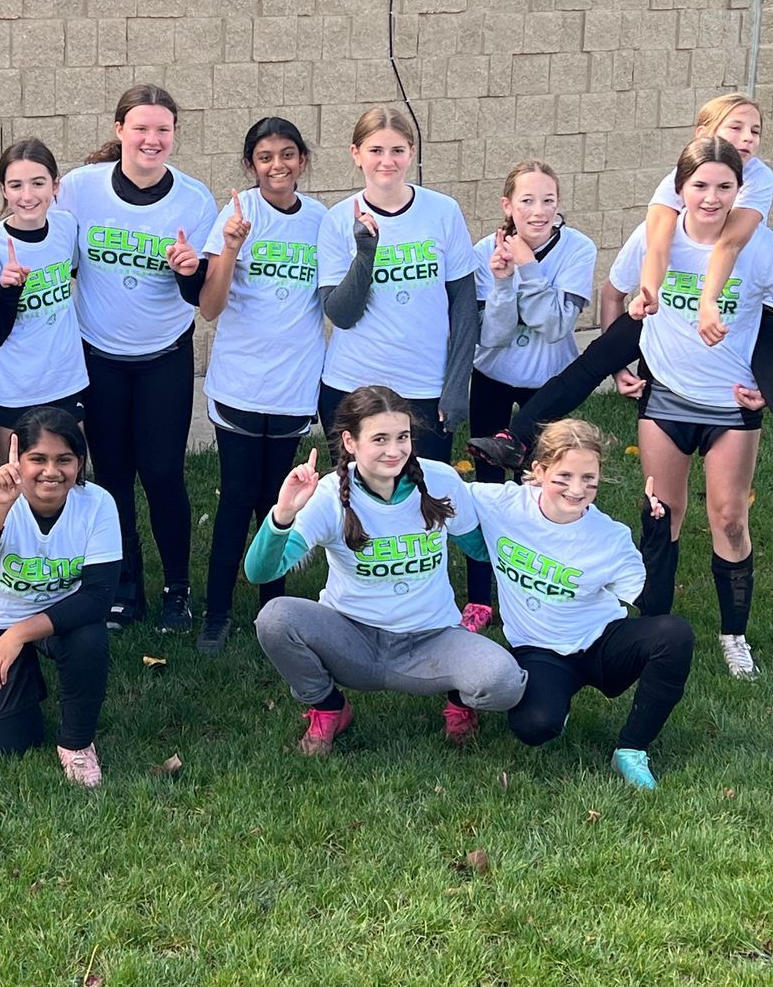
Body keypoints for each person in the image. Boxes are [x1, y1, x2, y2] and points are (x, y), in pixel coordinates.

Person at [468, 94, 773, 529]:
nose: (746, 138)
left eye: (755, 131)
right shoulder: (675, 180)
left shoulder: (757, 179)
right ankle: (515, 438)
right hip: (668, 306)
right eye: (734, 128)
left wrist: (708, 303)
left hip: (741, 309)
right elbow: (658, 242)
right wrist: (647, 296)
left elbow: (729, 242)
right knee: (591, 363)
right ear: (702, 136)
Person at [603, 137, 773, 678]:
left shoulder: (758, 246)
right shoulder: (656, 236)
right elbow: (612, 293)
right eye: (699, 185)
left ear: (739, 190)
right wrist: (618, 365)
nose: (711, 197)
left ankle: (734, 636)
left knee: (729, 517)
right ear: (679, 189)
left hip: (731, 405)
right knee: (662, 512)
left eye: (725, 186)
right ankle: (653, 631)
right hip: (667, 399)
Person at [246, 386, 526, 755]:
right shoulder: (329, 494)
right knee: (275, 618)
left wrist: (537, 513)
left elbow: (480, 549)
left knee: (505, 682)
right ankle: (329, 707)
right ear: (350, 442)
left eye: (402, 437)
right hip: (352, 640)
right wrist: (282, 515)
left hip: (431, 639)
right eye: (380, 439)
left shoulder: (440, 480)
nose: (394, 451)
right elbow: (260, 573)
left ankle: (459, 703)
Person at [57, 84, 218, 631]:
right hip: (98, 356)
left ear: (174, 134)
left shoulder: (194, 199)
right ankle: (125, 586)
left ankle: (177, 589)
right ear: (119, 129)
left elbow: (199, 297)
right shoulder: (80, 189)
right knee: (112, 476)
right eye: (141, 128)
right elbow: (52, 252)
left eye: (163, 129)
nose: (152, 139)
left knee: (164, 474)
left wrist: (188, 270)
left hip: (163, 357)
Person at [462, 420, 690, 791]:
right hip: (539, 649)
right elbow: (442, 489)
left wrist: (656, 535)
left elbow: (655, 605)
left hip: (601, 642)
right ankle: (556, 702)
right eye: (564, 476)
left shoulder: (609, 536)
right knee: (535, 726)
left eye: (589, 479)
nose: (577, 489)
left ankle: (632, 749)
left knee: (675, 634)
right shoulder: (501, 503)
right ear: (539, 471)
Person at [194, 116, 327, 656]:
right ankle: (217, 613)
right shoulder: (237, 214)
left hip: (295, 385)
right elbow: (209, 307)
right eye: (266, 157)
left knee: (278, 503)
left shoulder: (320, 219)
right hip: (241, 385)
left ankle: (274, 607)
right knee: (237, 498)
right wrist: (230, 247)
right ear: (251, 164)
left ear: (302, 159)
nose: (278, 165)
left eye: (287, 154)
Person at [461, 159, 596, 632]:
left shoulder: (578, 248)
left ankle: (538, 587)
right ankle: (480, 596)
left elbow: (556, 325)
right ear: (507, 205)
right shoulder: (484, 251)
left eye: (548, 201)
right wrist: (502, 283)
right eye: (527, 201)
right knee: (488, 488)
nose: (538, 211)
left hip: (548, 384)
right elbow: (492, 336)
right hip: (493, 377)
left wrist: (528, 266)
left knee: (547, 487)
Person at [0, 407, 119, 787]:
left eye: (64, 460)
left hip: (58, 614)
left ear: (80, 463)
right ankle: (22, 673)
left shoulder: (97, 504)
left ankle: (77, 743)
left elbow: (97, 597)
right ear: (17, 459)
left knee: (90, 636)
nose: (51, 471)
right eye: (38, 459)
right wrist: (0, 506)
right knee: (10, 744)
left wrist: (19, 634)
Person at [318, 108, 478, 465]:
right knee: (355, 493)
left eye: (397, 150)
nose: (387, 161)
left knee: (424, 492)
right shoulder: (337, 219)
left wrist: (456, 385)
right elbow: (341, 315)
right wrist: (365, 253)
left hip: (424, 386)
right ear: (356, 154)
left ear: (411, 152)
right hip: (352, 386)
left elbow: (464, 306)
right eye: (375, 150)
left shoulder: (443, 211)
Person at [0, 139, 87, 464]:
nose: (27, 196)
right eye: (16, 185)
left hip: (64, 377)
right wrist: (8, 290)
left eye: (38, 183)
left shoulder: (66, 226)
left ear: (55, 185)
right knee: (16, 477)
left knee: (71, 475)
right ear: (3, 189)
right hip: (11, 385)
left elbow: (75, 271)